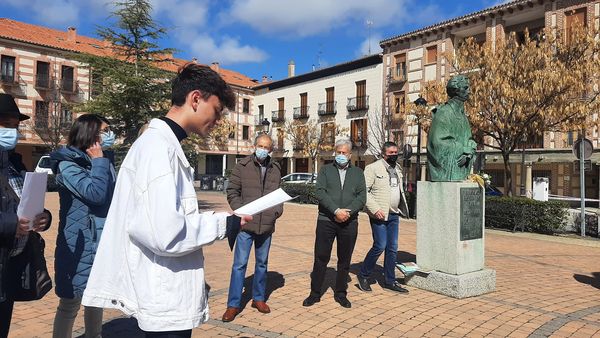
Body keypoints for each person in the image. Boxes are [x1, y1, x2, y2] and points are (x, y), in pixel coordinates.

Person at [81, 63, 248, 338]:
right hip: (164, 301)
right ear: (195, 99)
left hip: (165, 293)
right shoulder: (158, 148)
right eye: (216, 111)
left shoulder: (163, 145)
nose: (217, 121)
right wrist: (223, 226)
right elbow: (164, 233)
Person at [49, 114, 116, 338]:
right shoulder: (67, 165)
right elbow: (95, 195)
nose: (109, 135)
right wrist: (99, 162)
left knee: (95, 299)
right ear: (91, 133)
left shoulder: (103, 161)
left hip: (102, 241)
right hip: (78, 243)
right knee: (70, 302)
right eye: (105, 131)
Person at [0, 93, 52, 337]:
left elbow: (27, 203)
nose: (12, 131)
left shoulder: (16, 164)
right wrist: (12, 224)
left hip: (10, 269)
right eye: (5, 125)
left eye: (15, 126)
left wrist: (44, 217)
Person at [222, 134, 283, 322]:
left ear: (270, 150)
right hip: (245, 225)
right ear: (254, 146)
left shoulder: (275, 168)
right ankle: (233, 304)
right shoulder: (242, 166)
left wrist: (275, 213)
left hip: (266, 226)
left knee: (262, 264)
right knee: (239, 265)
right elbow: (232, 191)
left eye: (267, 147)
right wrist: (241, 212)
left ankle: (258, 298)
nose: (263, 150)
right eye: (260, 146)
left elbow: (279, 195)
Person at [302, 138, 366, 309]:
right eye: (338, 152)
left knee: (344, 260)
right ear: (335, 152)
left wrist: (348, 212)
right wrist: (336, 210)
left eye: (344, 152)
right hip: (326, 220)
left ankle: (340, 293)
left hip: (349, 222)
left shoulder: (358, 173)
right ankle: (315, 293)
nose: (341, 155)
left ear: (350, 154)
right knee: (321, 257)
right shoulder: (325, 170)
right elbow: (320, 192)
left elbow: (362, 198)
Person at [357, 141, 410, 294]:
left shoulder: (397, 169)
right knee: (380, 245)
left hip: (393, 214)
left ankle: (389, 281)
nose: (394, 155)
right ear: (383, 154)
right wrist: (375, 209)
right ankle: (363, 275)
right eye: (391, 153)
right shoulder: (372, 168)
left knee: (392, 248)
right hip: (379, 214)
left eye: (396, 152)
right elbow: (364, 191)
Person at [427, 74, 477, 181]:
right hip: (447, 171)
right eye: (465, 88)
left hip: (461, 168)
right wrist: (463, 149)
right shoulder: (444, 113)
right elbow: (437, 142)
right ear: (456, 90)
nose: (469, 91)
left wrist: (469, 152)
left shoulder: (463, 116)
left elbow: (470, 140)